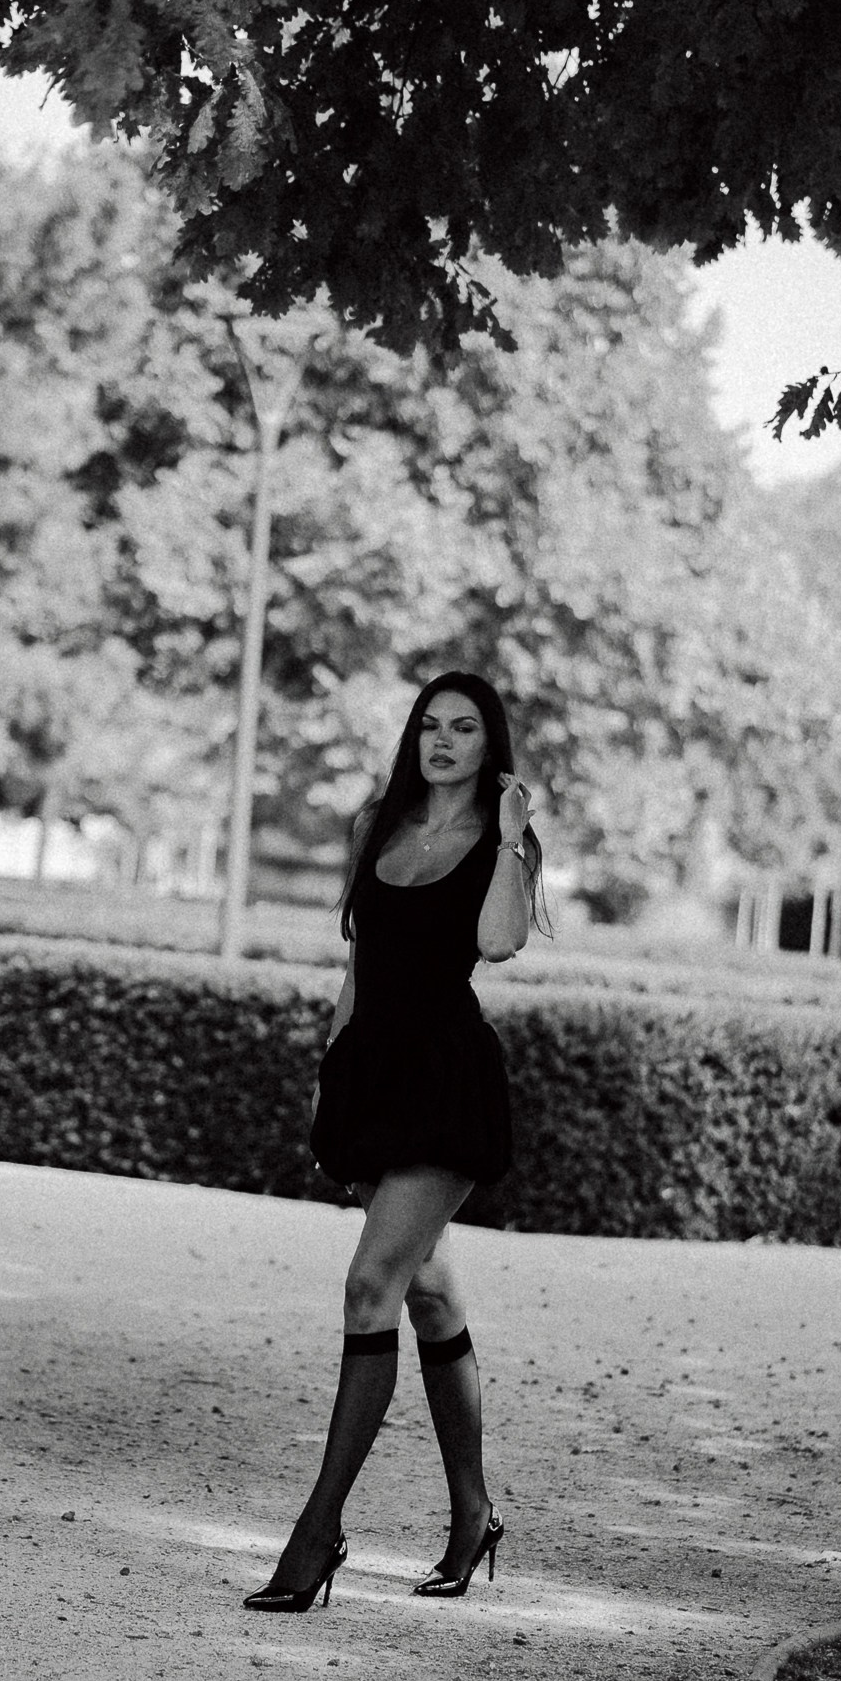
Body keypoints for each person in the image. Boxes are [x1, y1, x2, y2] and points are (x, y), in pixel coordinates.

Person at [243, 671, 546, 1614]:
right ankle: (473, 1514)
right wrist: (328, 1074)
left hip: (445, 1085)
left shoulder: (502, 843)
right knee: (427, 1290)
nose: (442, 741)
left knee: (368, 1284)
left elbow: (496, 943)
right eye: (429, 725)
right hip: (369, 1080)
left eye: (464, 728)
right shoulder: (375, 825)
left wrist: (508, 838)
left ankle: (316, 1532)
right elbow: (358, 962)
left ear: (490, 747)